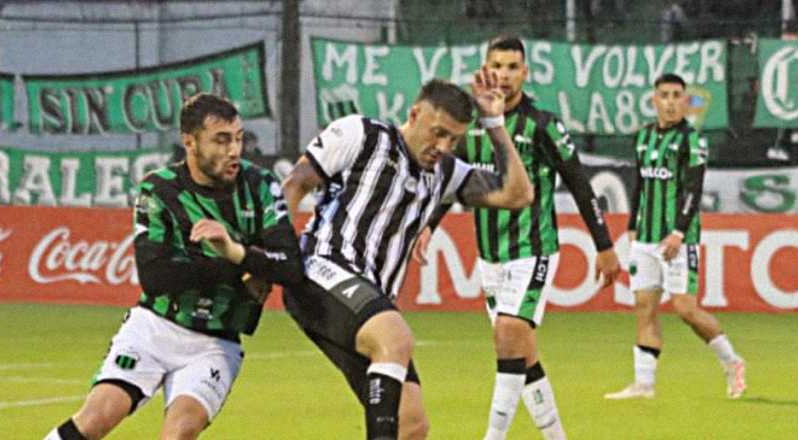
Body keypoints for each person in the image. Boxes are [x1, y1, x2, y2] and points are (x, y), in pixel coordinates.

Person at [282, 73, 534, 440]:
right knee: (396, 338)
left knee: (412, 425)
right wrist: (276, 256)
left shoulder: (445, 172)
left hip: (369, 298)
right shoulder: (361, 134)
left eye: (454, 138)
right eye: (437, 132)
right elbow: (296, 183)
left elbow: (517, 195)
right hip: (321, 270)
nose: (444, 146)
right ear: (414, 114)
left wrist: (495, 124)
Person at [45, 93, 303, 440]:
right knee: (97, 417)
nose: (234, 151)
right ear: (190, 143)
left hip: (216, 341)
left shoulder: (260, 186)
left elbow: (290, 267)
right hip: (153, 328)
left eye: (239, 138)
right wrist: (239, 268)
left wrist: (235, 250)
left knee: (179, 433)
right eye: (222, 140)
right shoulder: (160, 188)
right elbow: (157, 277)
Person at [414, 35, 619, 440]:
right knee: (521, 353)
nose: (504, 76)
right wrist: (429, 224)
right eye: (497, 66)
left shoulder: (542, 126)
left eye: (512, 67)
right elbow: (454, 181)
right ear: (485, 69)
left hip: (533, 248)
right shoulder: (470, 126)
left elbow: (579, 183)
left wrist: (604, 245)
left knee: (508, 334)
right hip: (490, 255)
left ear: (525, 73)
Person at [604, 73, 746, 400]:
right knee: (644, 306)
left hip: (678, 238)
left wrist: (679, 232)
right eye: (664, 95)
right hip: (645, 237)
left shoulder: (692, 140)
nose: (670, 101)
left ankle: (732, 361)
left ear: (685, 101)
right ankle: (644, 384)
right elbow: (639, 182)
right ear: (654, 99)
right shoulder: (642, 137)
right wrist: (631, 224)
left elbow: (694, 190)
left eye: (676, 95)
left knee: (684, 308)